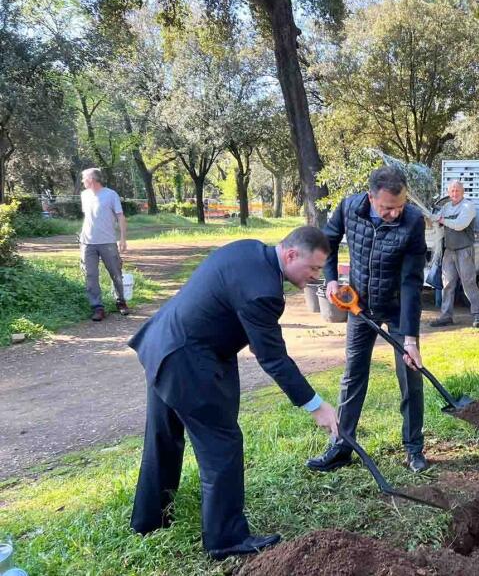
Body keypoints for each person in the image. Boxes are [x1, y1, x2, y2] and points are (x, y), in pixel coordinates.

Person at [128, 227, 339, 560]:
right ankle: (225, 539)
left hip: (163, 342)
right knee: (222, 445)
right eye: (312, 269)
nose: (314, 277)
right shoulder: (263, 291)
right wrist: (316, 405)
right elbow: (272, 356)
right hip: (185, 357)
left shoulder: (249, 250)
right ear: (291, 254)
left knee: (163, 436)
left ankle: (149, 520)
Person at [307, 166, 429, 474]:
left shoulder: (413, 221)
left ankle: (414, 448)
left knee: (410, 374)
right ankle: (342, 446)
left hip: (399, 308)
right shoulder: (350, 207)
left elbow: (412, 280)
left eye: (400, 206)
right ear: (371, 198)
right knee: (353, 374)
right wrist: (332, 279)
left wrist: (411, 339)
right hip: (359, 305)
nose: (395, 213)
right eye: (388, 208)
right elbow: (327, 242)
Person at [429, 180, 479, 328]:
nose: (454, 194)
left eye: (457, 191)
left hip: (464, 250)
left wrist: (441, 219)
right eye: (452, 191)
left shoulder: (468, 206)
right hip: (449, 250)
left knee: (468, 283)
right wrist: (434, 219)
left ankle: (478, 315)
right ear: (448, 192)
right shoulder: (446, 207)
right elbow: (437, 222)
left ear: (463, 191)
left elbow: (460, 225)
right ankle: (446, 316)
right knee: (447, 284)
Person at [79, 167, 129, 321]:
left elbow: (120, 217)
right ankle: (98, 308)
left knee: (116, 273)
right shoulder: (84, 195)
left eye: (84, 178)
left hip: (108, 242)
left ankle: (121, 302)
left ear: (92, 179)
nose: (82, 181)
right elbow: (89, 219)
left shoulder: (111, 195)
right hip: (88, 243)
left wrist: (122, 238)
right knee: (91, 275)